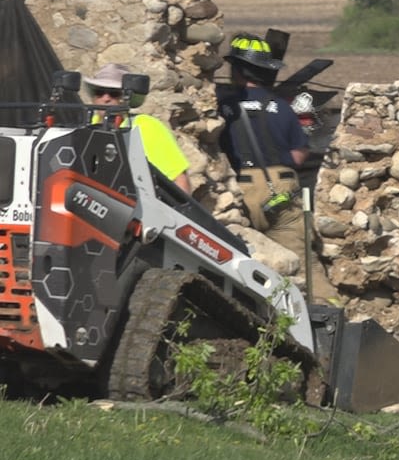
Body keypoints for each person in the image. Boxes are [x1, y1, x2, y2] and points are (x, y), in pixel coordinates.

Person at [216, 33, 339, 303]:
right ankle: (330, 313)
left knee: (239, 261)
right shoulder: (282, 109)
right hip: (280, 187)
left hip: (240, 190)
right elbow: (297, 157)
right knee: (305, 263)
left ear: (236, 69)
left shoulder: (222, 107)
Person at [83, 63, 191, 192]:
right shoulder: (85, 127)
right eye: (99, 92)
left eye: (114, 93)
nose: (106, 98)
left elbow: (179, 180)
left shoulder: (145, 126)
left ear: (126, 98)